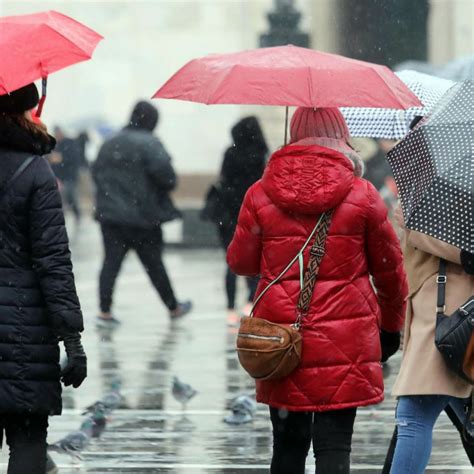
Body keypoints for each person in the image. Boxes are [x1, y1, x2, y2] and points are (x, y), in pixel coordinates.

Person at [227, 107, 408, 474]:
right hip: (346, 336)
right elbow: (390, 272)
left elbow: (241, 263)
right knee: (335, 447)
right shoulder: (363, 194)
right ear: (341, 137)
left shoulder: (260, 193)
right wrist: (390, 327)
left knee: (288, 448)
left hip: (281, 337)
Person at [0, 83, 87, 473]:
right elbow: (53, 261)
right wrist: (73, 338)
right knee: (28, 441)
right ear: (29, 107)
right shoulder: (35, 170)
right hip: (25, 329)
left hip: (22, 326)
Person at [388, 207, 474, 473]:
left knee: (414, 414)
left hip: (452, 316)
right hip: (442, 314)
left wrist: (416, 226)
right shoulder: (447, 190)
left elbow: (468, 251)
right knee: (459, 409)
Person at [93, 101, 191, 327]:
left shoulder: (109, 143)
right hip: (144, 218)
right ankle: (173, 307)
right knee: (155, 264)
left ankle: (104, 311)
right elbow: (168, 179)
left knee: (110, 263)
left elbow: (96, 173)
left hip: (111, 217)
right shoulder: (151, 143)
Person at [215, 116, 268, 319]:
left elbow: (223, 179)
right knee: (256, 260)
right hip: (253, 215)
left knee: (231, 261)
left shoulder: (231, 153)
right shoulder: (260, 155)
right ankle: (249, 302)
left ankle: (230, 308)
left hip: (228, 214)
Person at [50, 126, 86, 222]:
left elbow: (74, 158)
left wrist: (62, 158)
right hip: (59, 176)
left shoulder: (70, 143)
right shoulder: (56, 145)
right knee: (60, 198)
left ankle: (77, 216)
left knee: (71, 197)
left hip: (70, 175)